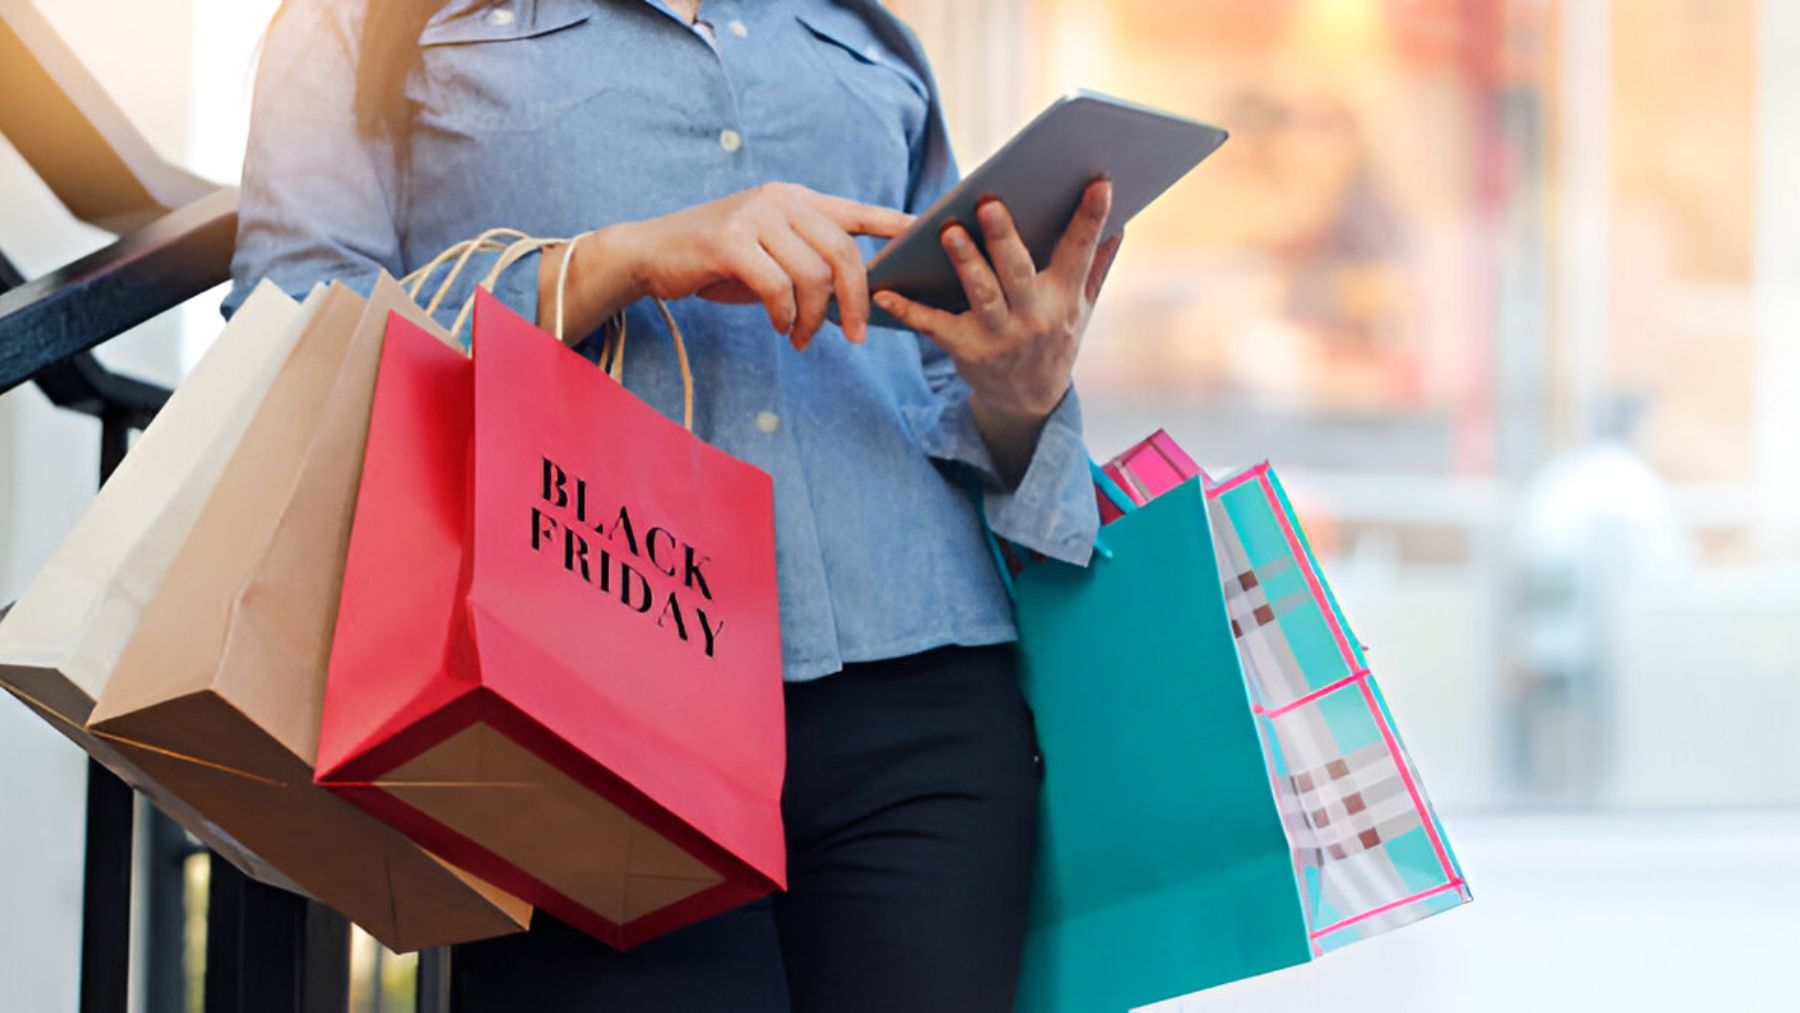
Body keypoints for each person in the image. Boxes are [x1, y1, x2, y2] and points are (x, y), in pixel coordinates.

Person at [230, 2, 1119, 1009]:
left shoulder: (862, 26)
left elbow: (936, 378)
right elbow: (294, 332)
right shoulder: (359, 21)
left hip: (923, 693)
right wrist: (622, 258)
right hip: (582, 700)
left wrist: (1025, 383)